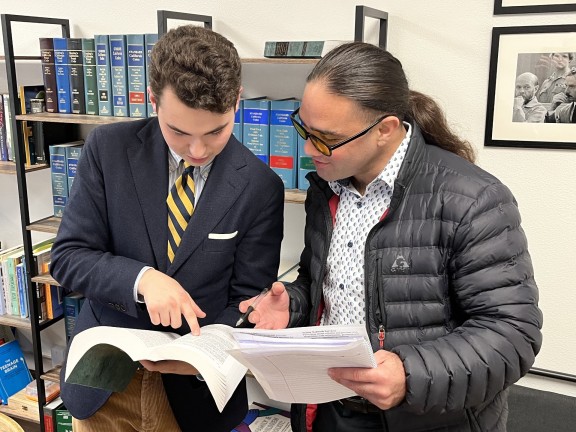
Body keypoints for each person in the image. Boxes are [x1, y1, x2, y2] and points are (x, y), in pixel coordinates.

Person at [240, 42, 542, 432]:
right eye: (303, 128)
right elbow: (325, 286)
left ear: (385, 130)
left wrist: (409, 374)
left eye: (326, 137)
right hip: (329, 407)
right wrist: (293, 306)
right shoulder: (327, 189)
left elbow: (511, 333)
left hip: (428, 418)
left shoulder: (472, 199)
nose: (308, 149)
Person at [50, 25, 285, 432]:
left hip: (197, 393)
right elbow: (68, 257)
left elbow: (248, 300)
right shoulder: (108, 149)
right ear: (153, 101)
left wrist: (201, 355)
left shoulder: (260, 187)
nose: (197, 151)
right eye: (179, 131)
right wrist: (141, 279)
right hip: (105, 379)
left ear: (237, 101)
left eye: (215, 131)